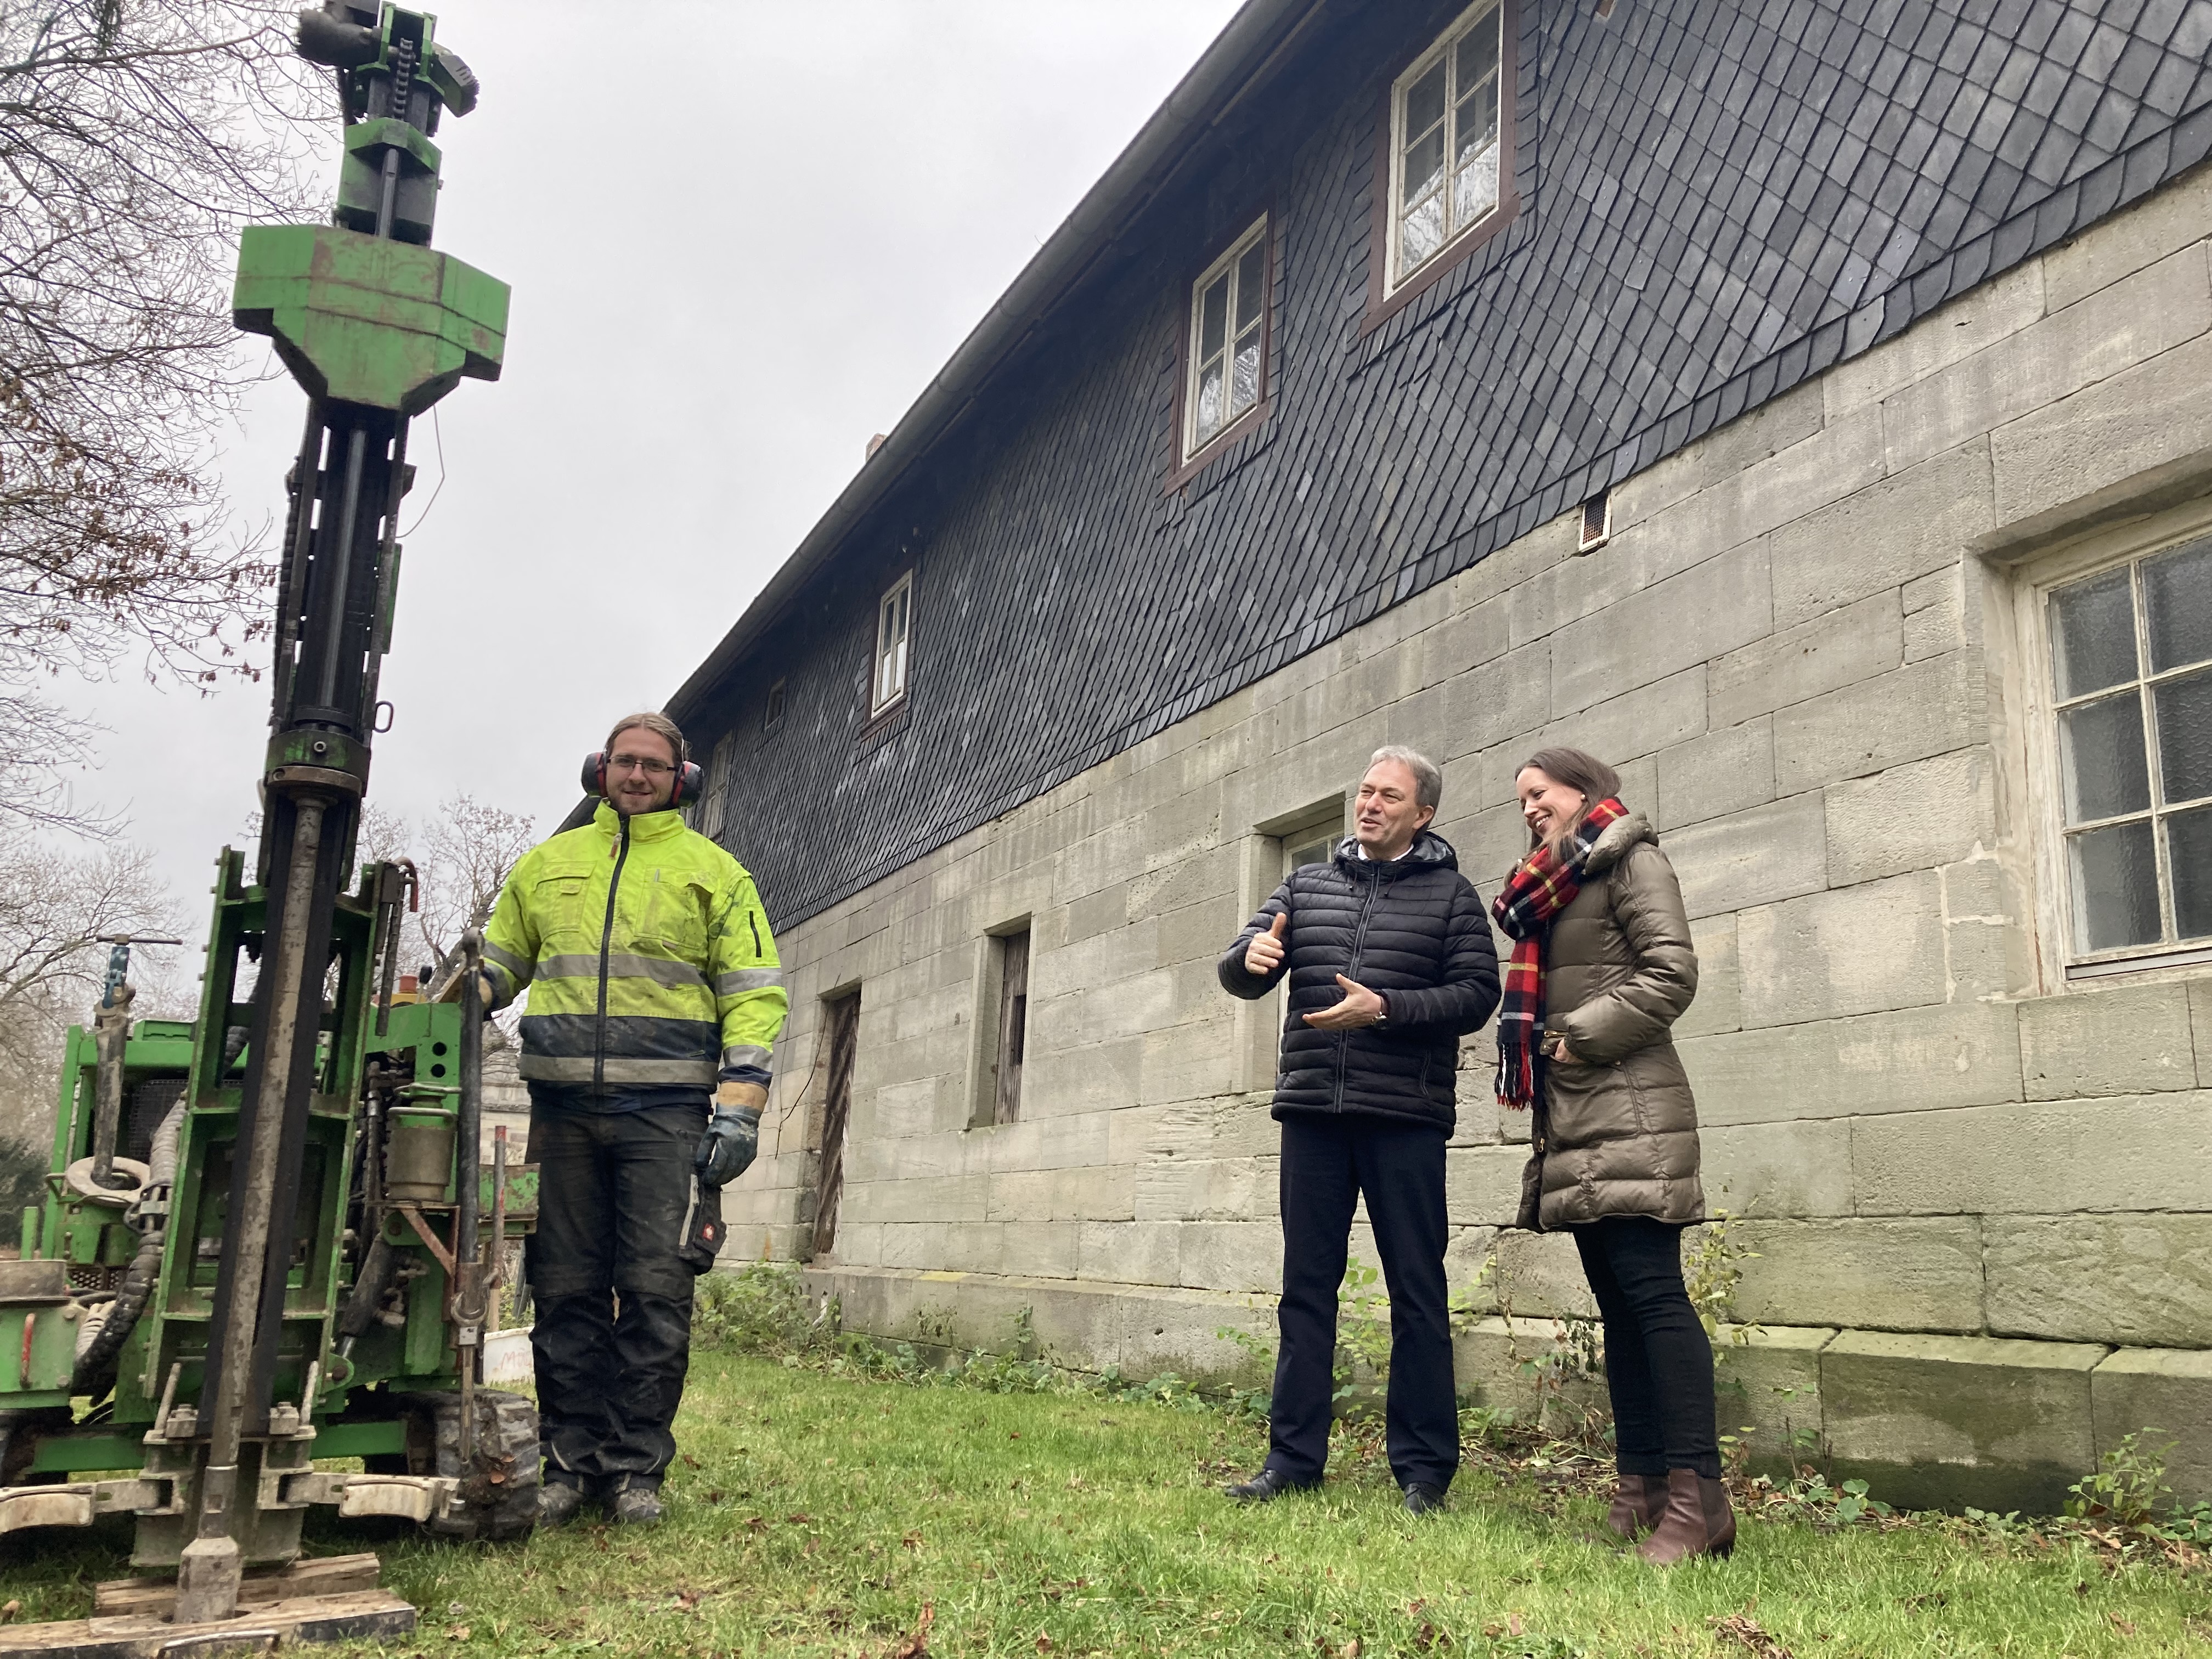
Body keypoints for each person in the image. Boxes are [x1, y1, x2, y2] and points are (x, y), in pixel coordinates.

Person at [458, 711, 788, 1527]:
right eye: (624, 763)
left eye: (654, 766)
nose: (637, 776)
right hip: (562, 1110)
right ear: (598, 772)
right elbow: (502, 964)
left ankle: (636, 1469)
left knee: (654, 1291)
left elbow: (753, 994)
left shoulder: (716, 874)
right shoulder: (548, 866)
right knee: (566, 1292)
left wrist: (739, 1109)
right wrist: (461, 991)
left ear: (683, 782)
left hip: (667, 1115)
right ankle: (569, 1463)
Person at [1217, 746, 1500, 1514]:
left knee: (1417, 1290)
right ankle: (1292, 1459)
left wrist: (1388, 1010)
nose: (1369, 804)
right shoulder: (1305, 884)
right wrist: (1253, 957)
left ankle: (1424, 1471)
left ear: (1423, 813)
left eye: (1388, 795)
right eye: (1365, 792)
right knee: (1306, 1289)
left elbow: (1478, 994)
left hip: (1404, 1119)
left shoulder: (1451, 896)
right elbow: (1238, 967)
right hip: (1313, 1111)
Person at [1491, 746, 1729, 1563]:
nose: (1528, 807)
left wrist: (1571, 1040)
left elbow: (1672, 973)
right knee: (1622, 1311)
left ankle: (1702, 1503)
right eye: (1520, 798)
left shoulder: (1631, 859)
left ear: (1585, 791)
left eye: (1540, 792)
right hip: (1578, 1114)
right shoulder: (1556, 889)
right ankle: (1646, 1490)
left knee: (1655, 1300)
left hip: (1629, 1103)